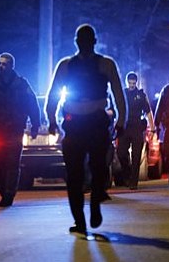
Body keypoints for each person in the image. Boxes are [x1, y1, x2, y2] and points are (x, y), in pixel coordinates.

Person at [45, 24, 126, 235]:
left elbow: (118, 94)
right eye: (82, 40)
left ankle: (95, 204)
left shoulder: (106, 64)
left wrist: (121, 120)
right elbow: (53, 94)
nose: (85, 44)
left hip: (96, 122)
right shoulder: (66, 66)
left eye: (87, 41)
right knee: (74, 175)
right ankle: (79, 221)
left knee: (99, 168)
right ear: (77, 42)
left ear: (93, 42)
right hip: (74, 123)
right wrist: (51, 118)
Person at [0, 52, 40, 207]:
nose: (1, 66)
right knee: (0, 163)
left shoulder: (22, 84)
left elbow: (32, 104)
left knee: (13, 163)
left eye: (4, 64)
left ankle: (9, 194)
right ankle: (3, 191)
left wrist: (35, 124)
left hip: (15, 129)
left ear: (11, 66)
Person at [116, 72, 155, 190]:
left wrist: (152, 128)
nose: (132, 85)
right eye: (130, 82)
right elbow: (117, 110)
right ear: (127, 82)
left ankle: (133, 182)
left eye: (134, 83)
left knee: (136, 155)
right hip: (124, 127)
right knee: (121, 153)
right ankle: (127, 175)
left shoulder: (141, 95)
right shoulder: (122, 94)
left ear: (136, 82)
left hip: (137, 127)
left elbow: (148, 112)